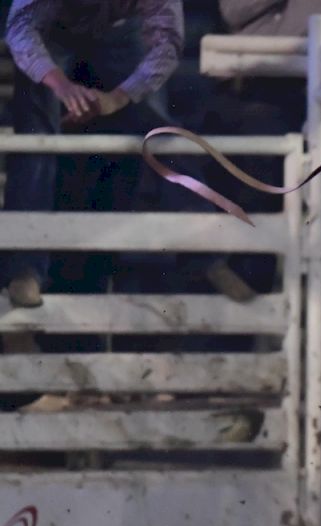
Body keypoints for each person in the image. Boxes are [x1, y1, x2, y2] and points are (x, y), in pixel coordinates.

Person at [2, 0, 184, 308]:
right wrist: (60, 84)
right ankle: (25, 270)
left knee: (157, 125)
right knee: (38, 133)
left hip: (119, 31)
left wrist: (119, 97)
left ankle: (202, 252)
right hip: (52, 29)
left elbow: (167, 41)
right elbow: (20, 27)